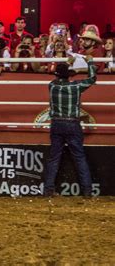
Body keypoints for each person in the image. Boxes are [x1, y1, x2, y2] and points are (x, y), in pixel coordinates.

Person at [43, 55, 96, 198]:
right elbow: (92, 79)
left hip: (57, 123)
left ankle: (48, 189)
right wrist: (90, 62)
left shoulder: (52, 86)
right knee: (79, 157)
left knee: (54, 157)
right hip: (72, 123)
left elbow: (58, 75)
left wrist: (67, 63)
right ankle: (87, 190)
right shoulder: (76, 86)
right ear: (69, 76)